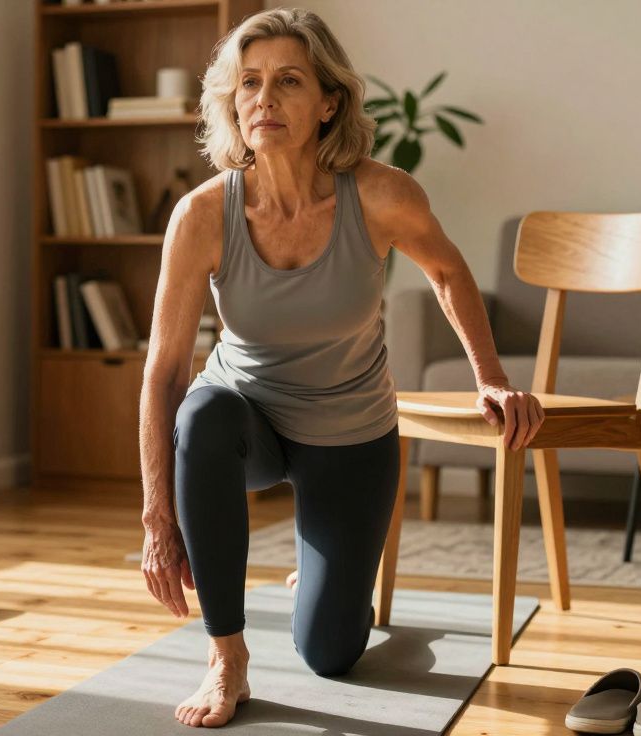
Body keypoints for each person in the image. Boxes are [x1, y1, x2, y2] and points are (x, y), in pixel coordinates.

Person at [137, 8, 545, 729]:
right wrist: (157, 518)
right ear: (233, 100)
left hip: (349, 431)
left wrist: (489, 376)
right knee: (202, 412)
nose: (265, 99)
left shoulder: (381, 194)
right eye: (250, 82)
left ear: (329, 102)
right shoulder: (202, 215)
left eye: (289, 81)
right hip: (248, 420)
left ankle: (326, 581)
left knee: (331, 652)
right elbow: (165, 372)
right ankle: (226, 656)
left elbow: (448, 273)